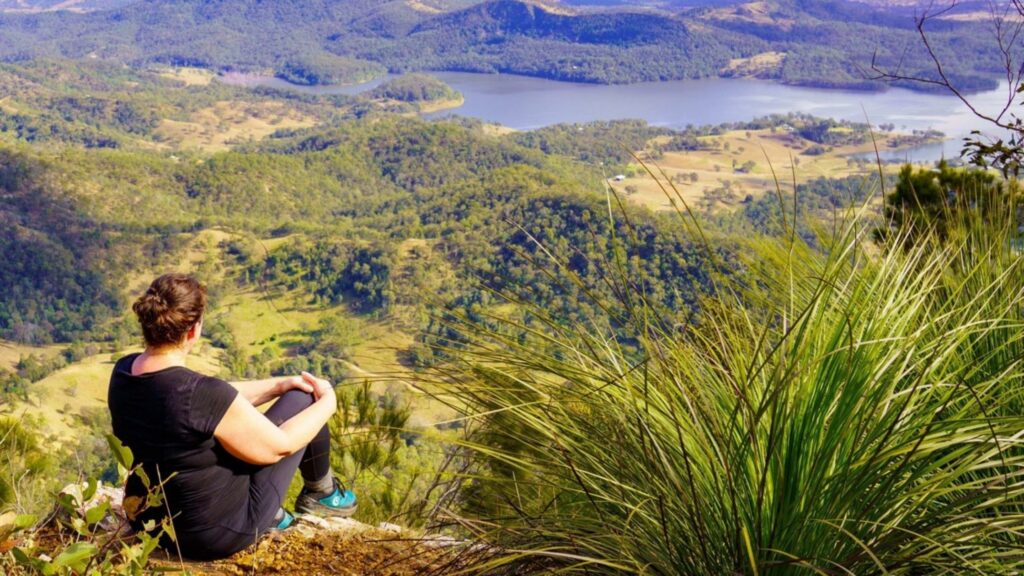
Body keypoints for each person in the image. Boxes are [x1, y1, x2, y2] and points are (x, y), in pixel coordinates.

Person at [107, 272, 356, 560]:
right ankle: (323, 496)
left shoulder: (124, 372)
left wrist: (278, 385)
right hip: (212, 535)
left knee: (279, 402)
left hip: (149, 524)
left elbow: (213, 402)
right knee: (305, 398)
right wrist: (328, 401)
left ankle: (296, 503)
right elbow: (280, 446)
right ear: (193, 330)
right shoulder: (198, 394)